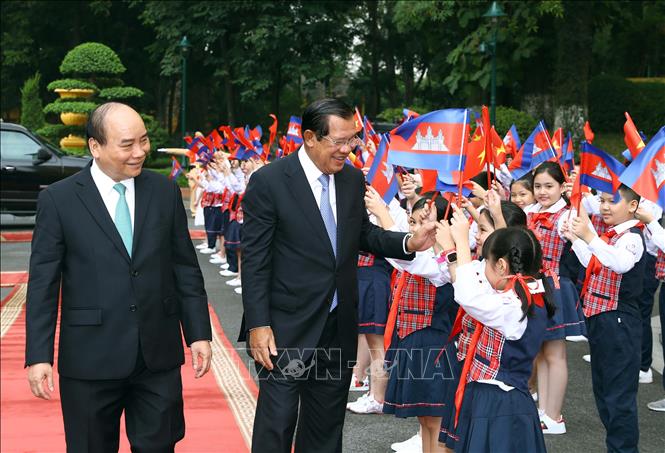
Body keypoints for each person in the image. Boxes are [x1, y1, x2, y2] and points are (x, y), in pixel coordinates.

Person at [240, 98, 437, 453]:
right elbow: (255, 260)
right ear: (311, 137)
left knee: (326, 425)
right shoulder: (269, 181)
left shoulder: (350, 179)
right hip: (285, 328)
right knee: (277, 423)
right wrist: (258, 324)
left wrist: (409, 241)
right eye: (340, 141)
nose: (348, 149)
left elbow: (363, 235)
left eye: (354, 140)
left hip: (338, 323)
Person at [25, 102, 212, 452]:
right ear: (95, 147)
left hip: (157, 355)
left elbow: (184, 266)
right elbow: (43, 285)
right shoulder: (60, 200)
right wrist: (39, 355)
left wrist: (199, 333)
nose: (139, 152)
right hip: (89, 359)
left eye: (143, 141)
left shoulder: (164, 192)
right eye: (127, 144)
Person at [443, 221, 554, 453]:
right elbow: (476, 287)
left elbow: (468, 295)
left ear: (502, 265)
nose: (482, 269)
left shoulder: (512, 305)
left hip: (497, 401)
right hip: (501, 398)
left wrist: (462, 242)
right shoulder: (527, 291)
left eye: (486, 262)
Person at [565, 185, 646, 452]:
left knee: (618, 397)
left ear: (633, 206)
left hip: (619, 322)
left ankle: (623, 449)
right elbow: (594, 262)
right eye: (602, 200)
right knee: (604, 393)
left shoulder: (632, 237)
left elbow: (620, 263)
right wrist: (576, 239)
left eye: (613, 201)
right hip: (602, 320)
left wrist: (590, 236)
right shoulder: (610, 236)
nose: (605, 206)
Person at [527, 161, 585, 434]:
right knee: (539, 353)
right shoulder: (529, 211)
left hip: (553, 288)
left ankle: (555, 415)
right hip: (531, 287)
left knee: (555, 354)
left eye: (549, 186)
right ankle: (543, 412)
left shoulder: (566, 216)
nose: (542, 191)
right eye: (538, 186)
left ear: (562, 187)